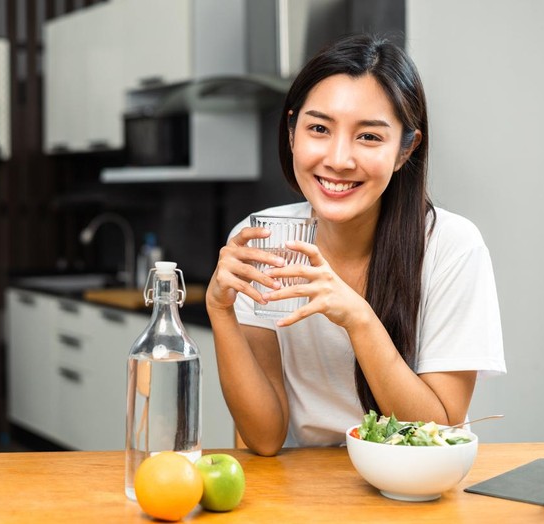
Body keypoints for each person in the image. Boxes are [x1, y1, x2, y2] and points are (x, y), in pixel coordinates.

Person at [205, 34, 506, 456]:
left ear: (406, 150)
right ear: (292, 132)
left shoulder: (451, 247)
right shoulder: (265, 241)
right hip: (302, 489)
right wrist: (220, 312)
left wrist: (358, 319)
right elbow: (265, 438)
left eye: (368, 137)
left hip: (409, 489)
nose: (339, 159)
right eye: (319, 129)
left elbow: (440, 431)